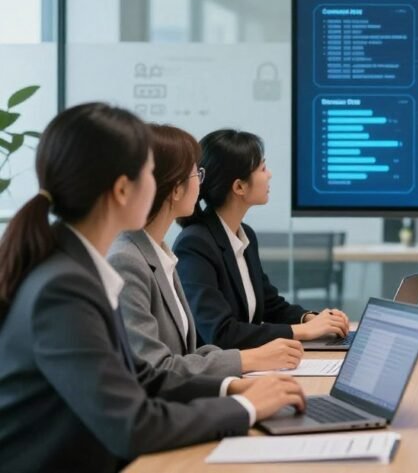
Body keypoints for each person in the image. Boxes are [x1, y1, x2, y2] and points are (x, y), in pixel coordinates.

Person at [0, 104, 305, 473]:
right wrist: (247, 407)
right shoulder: (64, 288)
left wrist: (232, 389)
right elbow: (133, 425)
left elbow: (141, 376)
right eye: (149, 172)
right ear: (122, 190)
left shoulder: (77, 268)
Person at [109, 124, 304, 377]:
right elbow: (155, 369)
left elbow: (186, 353)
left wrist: (237, 381)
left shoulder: (159, 253)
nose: (201, 184)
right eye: (195, 175)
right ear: (175, 189)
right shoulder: (130, 260)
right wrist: (248, 361)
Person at [174, 129, 349, 349]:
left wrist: (310, 319)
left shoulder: (244, 234)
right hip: (221, 376)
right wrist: (302, 331)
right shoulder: (195, 244)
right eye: (262, 168)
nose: (269, 175)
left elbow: (270, 304)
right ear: (239, 186)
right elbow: (220, 333)